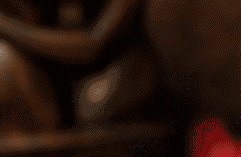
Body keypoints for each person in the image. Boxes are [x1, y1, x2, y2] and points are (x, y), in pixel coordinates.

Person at [0, 0, 157, 132]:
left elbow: (92, 46)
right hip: (54, 82)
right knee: (3, 60)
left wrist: (5, 25)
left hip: (112, 73)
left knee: (93, 103)